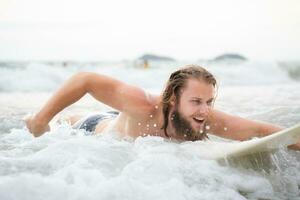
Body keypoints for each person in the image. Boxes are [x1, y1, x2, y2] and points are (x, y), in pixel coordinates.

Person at [25, 65, 300, 149]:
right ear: (172, 100)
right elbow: (84, 79)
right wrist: (40, 121)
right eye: (195, 101)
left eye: (208, 101)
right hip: (94, 127)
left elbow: (259, 130)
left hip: (123, 123)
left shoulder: (201, 116)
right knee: (67, 122)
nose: (204, 110)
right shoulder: (142, 103)